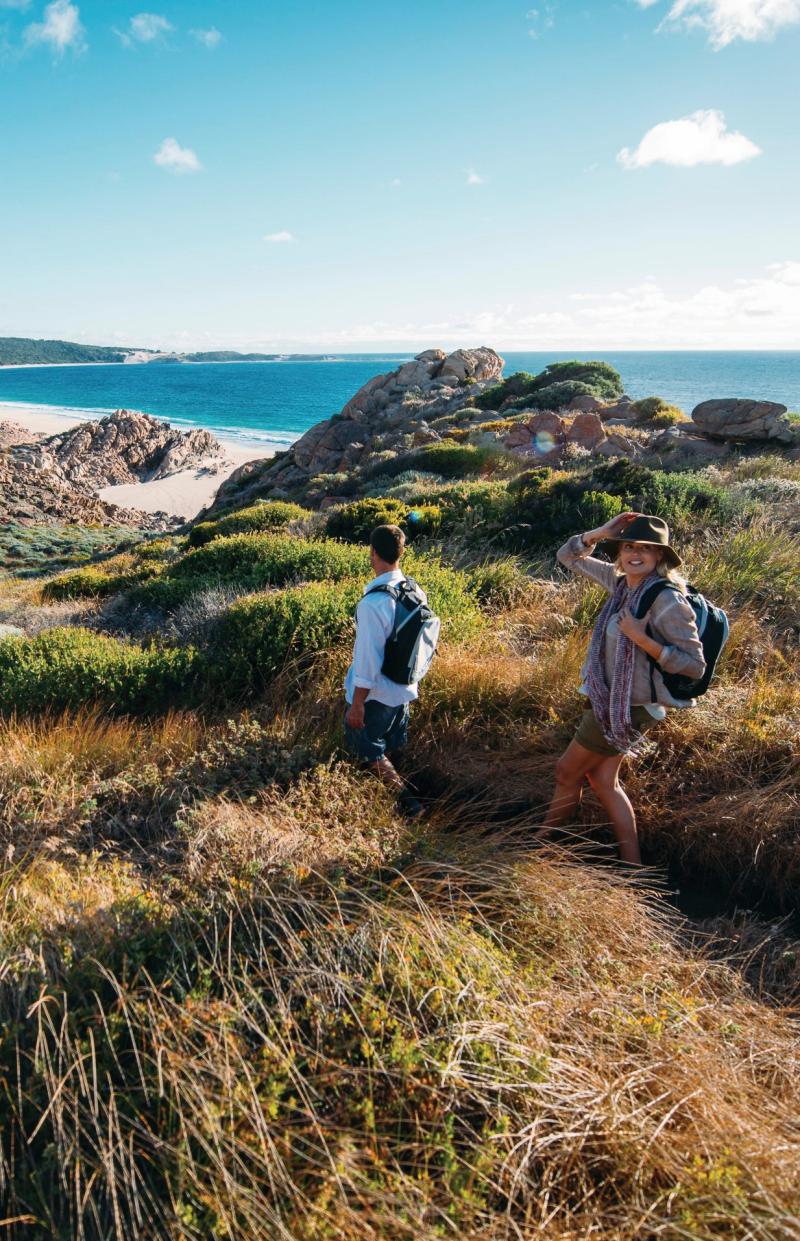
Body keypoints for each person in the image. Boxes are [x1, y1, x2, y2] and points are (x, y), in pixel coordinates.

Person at [537, 512, 705, 865]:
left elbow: (694, 665)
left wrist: (643, 640)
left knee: (566, 772)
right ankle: (633, 865)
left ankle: (541, 848)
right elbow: (567, 557)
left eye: (646, 548)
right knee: (601, 779)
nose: (636, 554)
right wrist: (600, 533)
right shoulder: (621, 583)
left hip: (630, 704)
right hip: (608, 697)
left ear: (660, 556)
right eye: (629, 546)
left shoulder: (667, 599)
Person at [344, 523, 426, 819]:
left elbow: (367, 661)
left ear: (373, 553)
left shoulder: (374, 602)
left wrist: (357, 704)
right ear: (400, 553)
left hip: (376, 696)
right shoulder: (414, 590)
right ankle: (395, 801)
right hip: (404, 690)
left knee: (368, 752)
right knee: (388, 749)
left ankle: (410, 805)